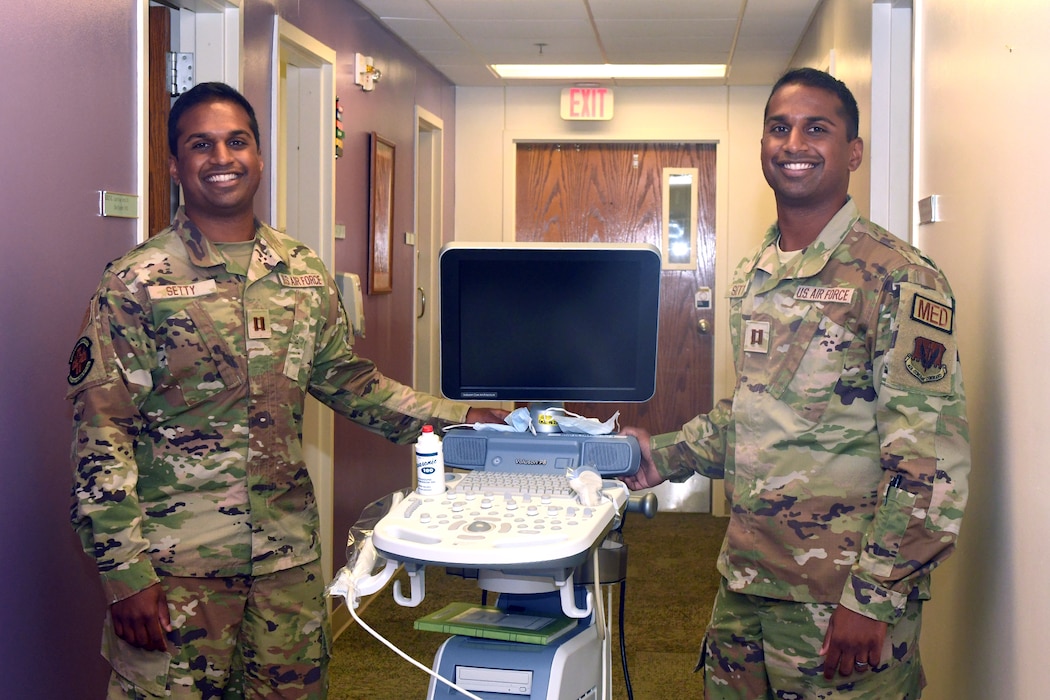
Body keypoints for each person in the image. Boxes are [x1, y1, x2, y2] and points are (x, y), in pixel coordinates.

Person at [67, 81, 505, 699]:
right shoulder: (137, 282)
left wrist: (462, 418)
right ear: (175, 164)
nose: (222, 158)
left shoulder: (300, 273)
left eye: (237, 141)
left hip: (286, 567)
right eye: (201, 145)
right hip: (175, 573)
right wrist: (125, 574)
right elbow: (101, 435)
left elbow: (353, 385)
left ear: (260, 156)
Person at [621, 68, 970, 698]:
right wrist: (660, 457)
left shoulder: (897, 278)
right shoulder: (756, 272)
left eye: (818, 129)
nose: (793, 143)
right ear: (762, 145)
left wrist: (873, 597)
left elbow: (931, 465)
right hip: (746, 586)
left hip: (839, 603)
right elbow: (755, 415)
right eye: (779, 128)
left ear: (853, 152)